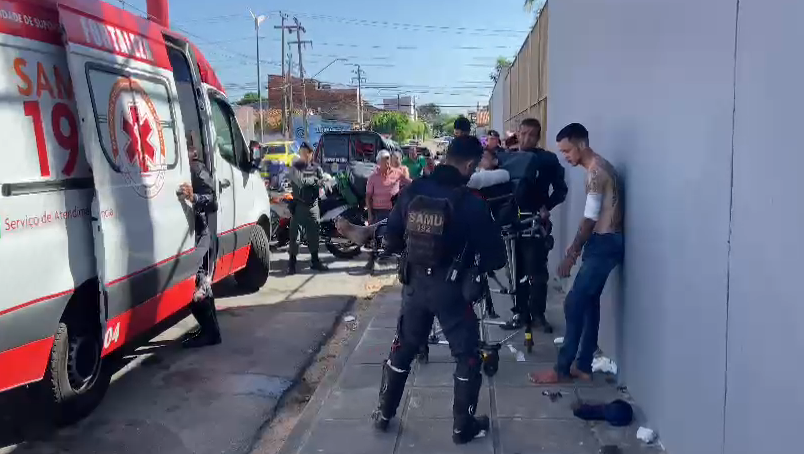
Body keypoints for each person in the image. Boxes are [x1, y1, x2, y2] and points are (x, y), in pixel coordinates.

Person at [371, 136, 507, 444]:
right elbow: (496, 257)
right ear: (470, 165)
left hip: (415, 286)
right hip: (453, 291)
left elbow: (390, 241)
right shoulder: (472, 202)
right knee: (467, 355)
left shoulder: (413, 190)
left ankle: (383, 414)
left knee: (403, 347)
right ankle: (463, 427)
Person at [529, 123, 624, 384]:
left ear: (581, 144)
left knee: (574, 302)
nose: (566, 156)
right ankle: (583, 365)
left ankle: (562, 369)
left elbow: (590, 218)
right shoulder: (601, 167)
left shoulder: (596, 173)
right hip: (605, 243)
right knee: (589, 303)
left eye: (568, 150)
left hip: (604, 243)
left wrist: (572, 253)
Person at [500, 118, 568, 334]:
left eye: (532, 135)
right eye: (524, 133)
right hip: (511, 222)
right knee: (515, 271)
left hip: (536, 222)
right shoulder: (507, 158)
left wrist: (546, 206)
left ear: (539, 137)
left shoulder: (547, 160)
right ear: (518, 134)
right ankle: (519, 313)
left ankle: (538, 314)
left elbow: (561, 190)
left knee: (536, 271)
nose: (527, 138)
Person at [178, 134, 221, 348]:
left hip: (201, 234)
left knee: (198, 285)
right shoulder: (182, 170)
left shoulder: (196, 168)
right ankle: (210, 331)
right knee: (202, 284)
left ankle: (211, 333)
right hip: (190, 234)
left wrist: (195, 197)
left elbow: (213, 201)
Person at [287, 142, 329, 275]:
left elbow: (323, 182)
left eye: (308, 153)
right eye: (303, 153)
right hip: (299, 206)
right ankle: (292, 264)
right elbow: (302, 182)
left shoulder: (316, 168)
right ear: (300, 153)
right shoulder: (295, 168)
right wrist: (316, 181)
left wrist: (320, 181)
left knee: (314, 235)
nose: (305, 155)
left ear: (311, 154)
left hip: (313, 206)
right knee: (295, 237)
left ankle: (315, 261)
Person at [365, 150, 409, 272]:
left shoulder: (398, 173)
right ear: (379, 162)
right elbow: (368, 196)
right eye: (385, 159)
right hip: (378, 211)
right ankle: (371, 260)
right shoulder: (373, 177)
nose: (388, 161)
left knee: (400, 236)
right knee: (374, 239)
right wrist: (369, 214)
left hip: (394, 211)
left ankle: (401, 261)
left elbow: (409, 183)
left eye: (388, 158)